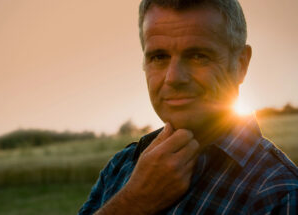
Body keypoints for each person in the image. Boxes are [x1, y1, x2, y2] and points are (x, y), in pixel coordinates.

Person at [79, 0, 298, 214]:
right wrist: (133, 203)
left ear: (241, 64)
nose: (173, 77)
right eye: (159, 57)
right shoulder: (121, 166)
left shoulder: (280, 195)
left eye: (198, 56)